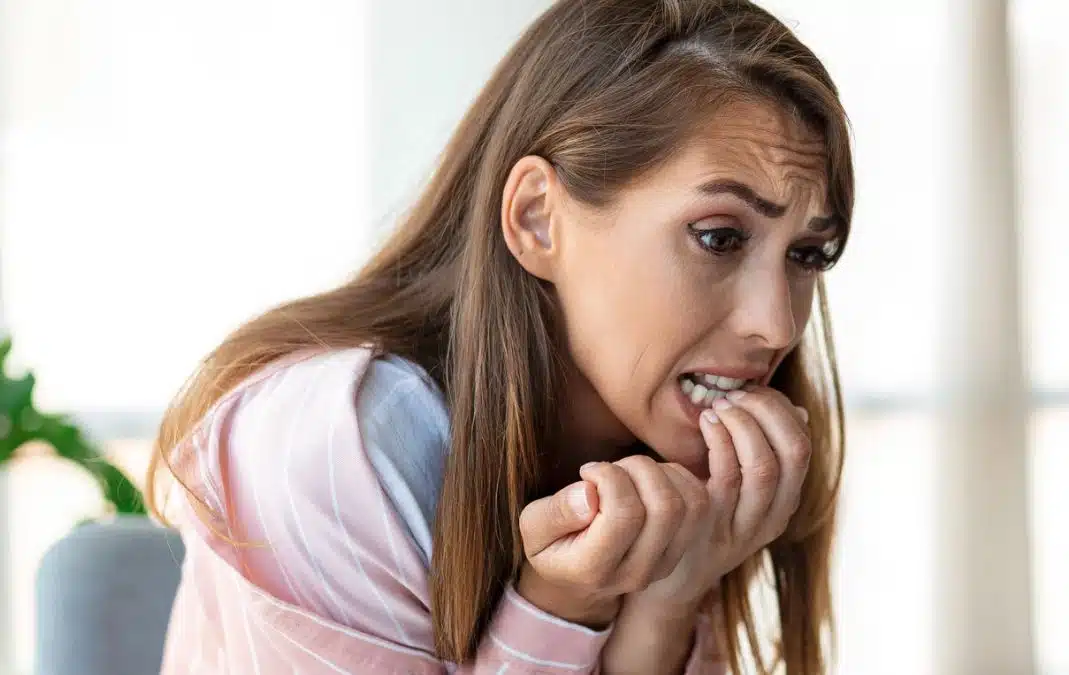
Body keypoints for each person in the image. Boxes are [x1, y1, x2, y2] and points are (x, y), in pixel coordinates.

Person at [148, 0, 853, 672]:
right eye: (719, 237)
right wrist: (559, 612)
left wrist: (665, 604)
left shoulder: (675, 470)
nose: (777, 324)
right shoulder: (329, 448)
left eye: (807, 255)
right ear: (539, 218)